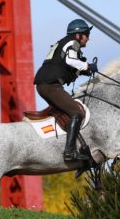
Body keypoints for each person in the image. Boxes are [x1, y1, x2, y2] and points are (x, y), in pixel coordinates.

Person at [34, 19, 98, 162]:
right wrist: (87, 66)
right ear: (78, 35)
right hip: (50, 85)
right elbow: (70, 61)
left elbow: (65, 65)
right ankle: (69, 152)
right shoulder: (72, 43)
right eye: (86, 34)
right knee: (76, 112)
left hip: (44, 84)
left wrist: (81, 71)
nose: (88, 38)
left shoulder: (63, 44)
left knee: (67, 113)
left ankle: (77, 147)